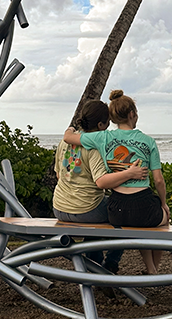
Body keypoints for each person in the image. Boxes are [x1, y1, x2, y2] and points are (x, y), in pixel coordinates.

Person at [63, 89, 169, 275]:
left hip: (116, 209)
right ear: (132, 115)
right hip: (144, 207)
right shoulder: (148, 141)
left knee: (141, 224)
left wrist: (71, 128)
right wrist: (164, 204)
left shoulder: (102, 137)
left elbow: (68, 138)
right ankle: (153, 268)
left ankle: (147, 268)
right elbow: (159, 181)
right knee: (158, 223)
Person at [53, 99, 148, 274]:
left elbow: (60, 175)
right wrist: (130, 173)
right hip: (86, 209)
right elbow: (101, 181)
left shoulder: (64, 142)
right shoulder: (94, 148)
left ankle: (94, 266)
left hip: (59, 207)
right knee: (125, 215)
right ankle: (110, 264)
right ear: (100, 124)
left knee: (96, 223)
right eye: (107, 123)